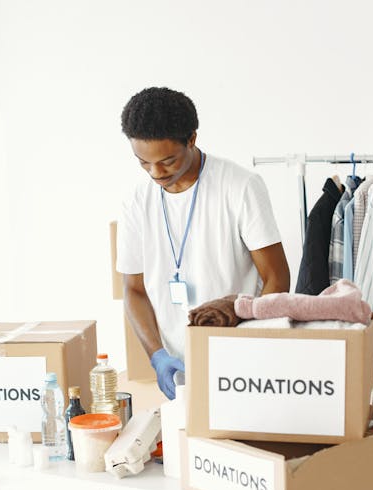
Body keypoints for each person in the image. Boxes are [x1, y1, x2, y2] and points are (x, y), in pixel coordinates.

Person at [116, 87, 290, 399]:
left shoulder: (240, 187)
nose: (156, 172)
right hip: (180, 370)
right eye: (143, 163)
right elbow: (134, 289)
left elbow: (276, 277)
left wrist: (250, 345)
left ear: (192, 139)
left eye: (167, 161)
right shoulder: (136, 202)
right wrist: (157, 356)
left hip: (243, 363)